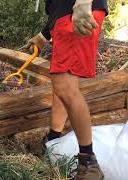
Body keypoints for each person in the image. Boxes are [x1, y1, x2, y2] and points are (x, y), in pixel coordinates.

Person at [28, 0, 108, 179]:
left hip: (77, 12)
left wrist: (84, 3)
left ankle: (89, 164)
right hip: (66, 14)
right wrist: (44, 35)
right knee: (62, 85)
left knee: (65, 86)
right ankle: (53, 141)